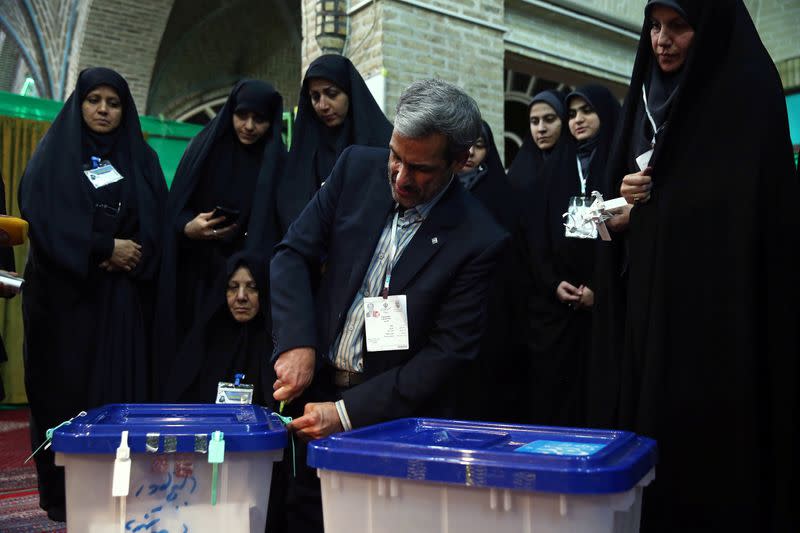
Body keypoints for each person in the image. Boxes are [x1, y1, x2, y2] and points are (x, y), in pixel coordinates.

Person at [270, 79, 508, 533]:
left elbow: (448, 353)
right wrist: (296, 343)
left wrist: (346, 413)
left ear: (459, 162)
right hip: (313, 396)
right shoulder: (356, 169)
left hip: (392, 424)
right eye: (395, 157)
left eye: (419, 168)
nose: (400, 177)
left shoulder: (480, 239)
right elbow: (292, 254)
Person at [607, 1, 797, 530]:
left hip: (720, 316)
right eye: (654, 26)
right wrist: (629, 202)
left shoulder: (746, 90)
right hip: (653, 306)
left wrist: (666, 201)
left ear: (707, 30)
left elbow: (752, 213)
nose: (661, 40)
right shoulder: (646, 93)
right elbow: (625, 196)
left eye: (678, 27)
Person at [19, 67, 167, 522]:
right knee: (63, 399)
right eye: (94, 100)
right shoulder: (56, 155)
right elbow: (43, 216)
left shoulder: (139, 157)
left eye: (113, 102)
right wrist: (103, 248)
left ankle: (122, 494)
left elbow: (158, 222)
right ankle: (65, 499)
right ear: (79, 104)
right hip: (63, 306)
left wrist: (131, 254)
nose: (103, 110)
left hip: (120, 304)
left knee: (116, 398)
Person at [154, 80, 284, 394]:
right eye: (242, 116)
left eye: (260, 119)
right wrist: (189, 227)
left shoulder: (279, 160)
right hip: (201, 276)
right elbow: (174, 211)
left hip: (251, 286)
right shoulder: (205, 149)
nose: (250, 126)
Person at [523, 85, 619, 427]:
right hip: (559, 304)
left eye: (587, 112)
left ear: (604, 115)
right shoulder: (556, 166)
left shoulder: (619, 162)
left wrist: (599, 287)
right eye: (573, 113)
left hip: (606, 304)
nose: (578, 120)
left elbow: (626, 241)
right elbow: (536, 237)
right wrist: (554, 284)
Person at [454, 121, 527, 422]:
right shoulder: (440, 190)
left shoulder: (500, 192)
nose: (470, 153)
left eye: (479, 146)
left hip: (491, 304)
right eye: (464, 146)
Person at [274, 54, 392, 234]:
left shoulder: (381, 143)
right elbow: (291, 207)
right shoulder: (306, 149)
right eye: (315, 97)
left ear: (349, 92)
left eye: (331, 94)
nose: (322, 105)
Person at [164, 251, 272, 404]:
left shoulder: (277, 346)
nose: (241, 296)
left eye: (252, 287)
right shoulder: (205, 341)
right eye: (233, 287)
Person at [506, 90, 567, 190]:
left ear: (564, 120)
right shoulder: (519, 171)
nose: (541, 128)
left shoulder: (580, 166)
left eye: (549, 119)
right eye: (534, 122)